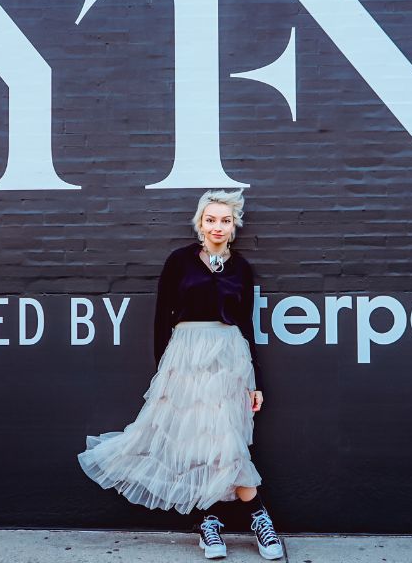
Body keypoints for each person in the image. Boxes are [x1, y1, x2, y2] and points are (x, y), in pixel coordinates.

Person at [78, 189, 283, 560]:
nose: (217, 227)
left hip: (229, 356)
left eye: (224, 220)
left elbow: (248, 326)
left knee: (228, 440)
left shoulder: (241, 268)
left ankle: (234, 521)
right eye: (210, 219)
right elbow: (162, 319)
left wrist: (256, 383)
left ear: (234, 225)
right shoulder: (179, 262)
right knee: (197, 444)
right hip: (185, 355)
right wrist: (165, 374)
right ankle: (225, 521)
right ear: (200, 223)